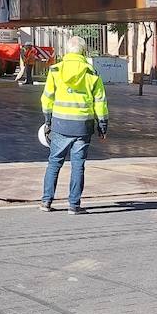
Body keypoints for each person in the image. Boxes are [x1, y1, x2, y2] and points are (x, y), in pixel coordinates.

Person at [40, 38, 109, 215]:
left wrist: (48, 120)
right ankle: (74, 205)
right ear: (84, 52)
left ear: (67, 52)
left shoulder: (56, 70)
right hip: (83, 126)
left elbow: (47, 97)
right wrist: (102, 125)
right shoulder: (92, 73)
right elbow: (100, 101)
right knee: (78, 165)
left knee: (54, 162)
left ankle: (46, 202)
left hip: (60, 124)